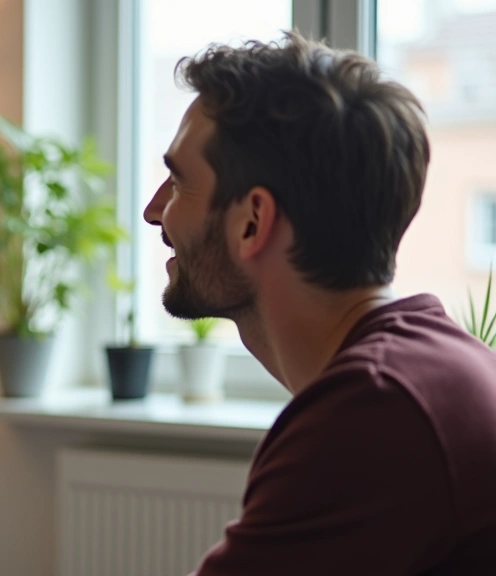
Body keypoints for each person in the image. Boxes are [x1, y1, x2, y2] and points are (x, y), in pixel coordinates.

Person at [145, 31, 496, 575]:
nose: (153, 211)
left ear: (253, 222)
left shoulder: (377, 409)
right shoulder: (429, 366)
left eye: (178, 180)